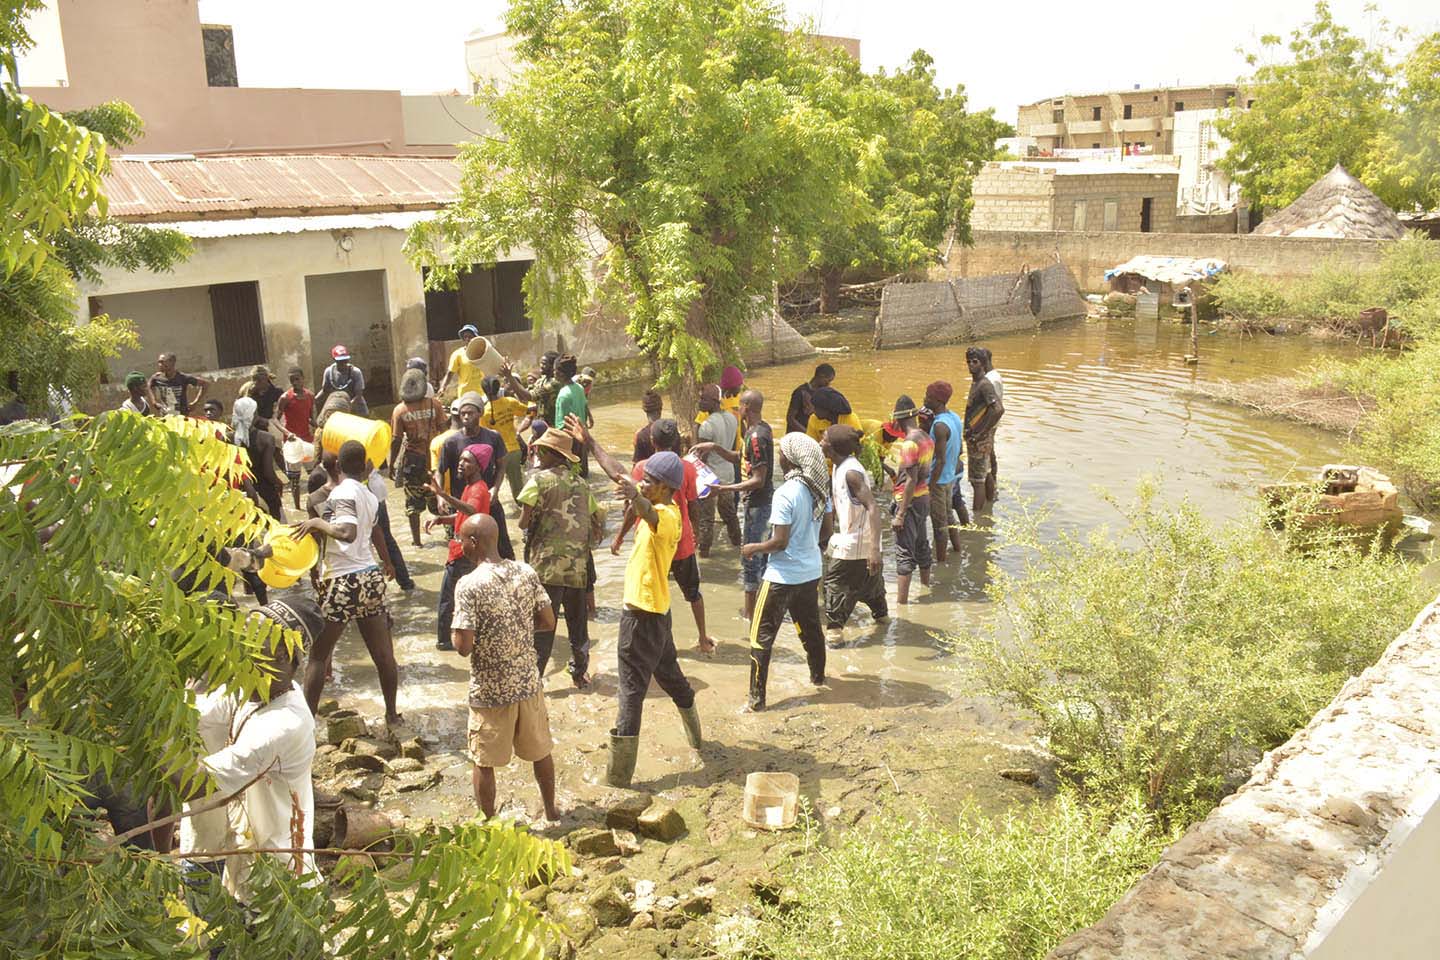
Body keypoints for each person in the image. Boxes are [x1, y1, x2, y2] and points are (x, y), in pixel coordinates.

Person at [573, 424, 703, 788]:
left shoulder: (671, 516)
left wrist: (637, 497)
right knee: (673, 679)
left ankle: (618, 779)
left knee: (630, 693)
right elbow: (617, 471)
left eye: (649, 482)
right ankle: (698, 740)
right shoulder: (654, 500)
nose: (643, 484)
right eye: (642, 480)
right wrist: (591, 441)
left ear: (666, 488)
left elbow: (650, 512)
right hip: (658, 615)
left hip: (641, 617)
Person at [186, 597, 324, 898]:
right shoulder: (254, 690)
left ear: (284, 659)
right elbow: (194, 716)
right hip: (244, 859)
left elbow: (194, 785)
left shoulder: (283, 724)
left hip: (279, 884)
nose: (238, 650)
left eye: (253, 645)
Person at [450, 512, 561, 820]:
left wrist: (460, 634)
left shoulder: (468, 585)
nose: (459, 546)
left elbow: (463, 647)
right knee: (541, 751)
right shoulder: (525, 571)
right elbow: (548, 621)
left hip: (491, 690)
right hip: (527, 682)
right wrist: (517, 631)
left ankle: (488, 823)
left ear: (473, 542)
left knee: (483, 761)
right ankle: (552, 811)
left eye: (461, 540)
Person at [294, 440, 401, 724]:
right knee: (383, 655)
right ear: (365, 466)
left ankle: (306, 725)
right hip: (369, 577)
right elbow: (371, 533)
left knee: (318, 656)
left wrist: (317, 524)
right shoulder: (369, 495)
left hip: (343, 579)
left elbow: (346, 532)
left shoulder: (341, 492)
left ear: (338, 467)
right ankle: (392, 715)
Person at [741, 431, 832, 712]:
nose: (777, 457)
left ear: (790, 459)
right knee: (811, 631)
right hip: (811, 572)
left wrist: (753, 548)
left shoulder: (785, 493)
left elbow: (779, 542)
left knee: (761, 637)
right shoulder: (819, 490)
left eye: (780, 453)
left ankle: (756, 701)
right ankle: (818, 680)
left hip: (781, 577)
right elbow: (827, 532)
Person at [614, 418, 717, 653]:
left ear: (652, 441)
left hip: (654, 541)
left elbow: (634, 507)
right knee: (693, 593)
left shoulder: (642, 467)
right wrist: (696, 532)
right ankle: (702, 638)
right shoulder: (687, 467)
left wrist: (620, 536)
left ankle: (660, 645)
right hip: (680, 541)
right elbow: (692, 504)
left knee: (655, 591)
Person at [516, 427, 605, 686]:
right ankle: (579, 674)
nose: (538, 454)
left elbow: (522, 523)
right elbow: (595, 518)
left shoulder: (538, 481)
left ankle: (534, 680)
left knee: (544, 625)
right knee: (578, 625)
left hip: (545, 567)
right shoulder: (581, 484)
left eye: (541, 450)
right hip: (577, 567)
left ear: (552, 453)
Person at [820, 424, 886, 644]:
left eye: (824, 439)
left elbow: (873, 507)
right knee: (873, 593)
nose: (821, 442)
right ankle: (885, 628)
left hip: (858, 546)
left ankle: (835, 642)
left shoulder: (851, 473)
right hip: (861, 543)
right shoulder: (840, 467)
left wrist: (874, 550)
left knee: (833, 588)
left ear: (834, 447)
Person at [429, 443, 494, 651]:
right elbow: (462, 515)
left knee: (447, 600)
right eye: (461, 459)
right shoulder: (469, 487)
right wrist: (441, 519)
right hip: (464, 550)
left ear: (478, 466)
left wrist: (443, 494)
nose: (460, 464)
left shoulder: (478, 489)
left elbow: (471, 509)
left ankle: (445, 642)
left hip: (464, 553)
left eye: (467, 461)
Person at [435, 391, 513, 560]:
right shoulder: (451, 442)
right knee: (465, 551)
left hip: (489, 501)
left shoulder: (493, 437)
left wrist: (496, 489)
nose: (466, 417)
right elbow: (440, 470)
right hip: (464, 504)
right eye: (463, 413)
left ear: (480, 413)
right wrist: (440, 497)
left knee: (501, 547)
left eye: (470, 413)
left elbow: (501, 466)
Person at [389, 368, 449, 547]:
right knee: (440, 495)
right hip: (434, 459)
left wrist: (391, 464)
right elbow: (445, 432)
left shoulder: (400, 410)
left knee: (412, 504)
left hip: (413, 462)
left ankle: (416, 542)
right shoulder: (435, 404)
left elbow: (396, 440)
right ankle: (451, 536)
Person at [884, 396, 934, 604]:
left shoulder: (909, 444)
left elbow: (911, 480)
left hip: (910, 501)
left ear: (898, 420)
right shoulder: (925, 437)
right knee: (922, 545)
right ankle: (925, 589)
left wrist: (901, 514)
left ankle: (901, 605)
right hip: (924, 499)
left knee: (904, 553)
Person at [692, 384, 741, 556]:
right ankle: (737, 545)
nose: (700, 402)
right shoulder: (732, 418)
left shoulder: (706, 426)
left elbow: (701, 458)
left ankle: (704, 554)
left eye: (703, 399)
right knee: (729, 513)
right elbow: (731, 447)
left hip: (710, 476)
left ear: (714, 401)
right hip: (728, 472)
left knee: (706, 517)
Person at [923, 380, 964, 562]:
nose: (925, 398)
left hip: (939, 480)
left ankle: (941, 565)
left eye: (928, 396)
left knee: (939, 526)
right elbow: (959, 449)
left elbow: (939, 460)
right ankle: (957, 550)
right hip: (950, 477)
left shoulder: (939, 426)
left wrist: (930, 487)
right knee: (948, 516)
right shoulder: (953, 417)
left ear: (936, 400)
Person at [964, 347, 1005, 514]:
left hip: (978, 439)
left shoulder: (984, 384)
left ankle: (978, 518)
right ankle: (989, 506)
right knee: (985, 473)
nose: (971, 365)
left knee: (977, 481)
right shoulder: (978, 383)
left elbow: (998, 409)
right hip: (979, 437)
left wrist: (980, 433)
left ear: (983, 363)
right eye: (968, 362)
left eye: (975, 362)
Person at [234, 396, 286, 520]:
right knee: (275, 528)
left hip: (238, 492)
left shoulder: (227, 438)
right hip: (264, 490)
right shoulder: (266, 438)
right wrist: (278, 482)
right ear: (255, 415)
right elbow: (268, 472)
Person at [481, 373, 530, 501]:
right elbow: (530, 410)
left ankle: (490, 508)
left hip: (498, 455)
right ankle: (525, 511)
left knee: (493, 485)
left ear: (484, 392)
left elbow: (483, 436)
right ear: (499, 388)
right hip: (515, 450)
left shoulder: (484, 412)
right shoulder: (510, 402)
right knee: (517, 485)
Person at [439, 324, 505, 400]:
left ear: (476, 338)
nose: (467, 339)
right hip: (465, 394)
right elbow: (449, 374)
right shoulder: (457, 354)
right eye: (465, 337)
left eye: (470, 336)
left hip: (482, 394)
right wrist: (442, 387)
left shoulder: (483, 352)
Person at [551, 355, 589, 475]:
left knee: (571, 477)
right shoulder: (579, 388)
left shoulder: (563, 395)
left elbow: (561, 425)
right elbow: (584, 410)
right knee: (582, 474)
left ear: (561, 373)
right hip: (582, 436)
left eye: (554, 370)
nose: (553, 373)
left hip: (570, 442)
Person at [980, 347, 1004, 505]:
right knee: (990, 453)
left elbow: (996, 408)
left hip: (988, 425)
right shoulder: (993, 376)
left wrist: (983, 428)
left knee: (986, 458)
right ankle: (993, 487)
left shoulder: (991, 380)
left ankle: (990, 494)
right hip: (989, 424)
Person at [148, 352, 207, 417]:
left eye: (162, 362)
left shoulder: (183, 378)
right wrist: (154, 402)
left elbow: (205, 384)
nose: (159, 365)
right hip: (165, 417)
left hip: (182, 417)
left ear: (172, 362)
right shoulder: (157, 377)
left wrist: (195, 402)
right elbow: (149, 385)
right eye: (159, 362)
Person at [315, 344, 367, 416]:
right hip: (338, 408)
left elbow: (358, 395)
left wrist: (346, 406)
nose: (343, 362)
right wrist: (314, 400)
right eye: (340, 360)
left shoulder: (355, 372)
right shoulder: (329, 372)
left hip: (356, 409)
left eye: (345, 360)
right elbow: (325, 390)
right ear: (334, 359)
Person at [786, 363, 834, 435]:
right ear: (821, 376)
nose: (828, 384)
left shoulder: (824, 393)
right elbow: (790, 418)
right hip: (798, 435)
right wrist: (808, 433)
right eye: (828, 381)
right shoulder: (800, 392)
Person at [430, 399, 464, 497]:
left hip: (449, 497)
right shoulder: (473, 437)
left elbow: (437, 472)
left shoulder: (437, 441)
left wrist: (440, 497)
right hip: (472, 494)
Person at [239, 364, 284, 431]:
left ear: (266, 379)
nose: (256, 382)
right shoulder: (248, 390)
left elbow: (281, 413)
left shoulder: (277, 393)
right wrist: (249, 395)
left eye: (259, 380)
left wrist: (269, 422)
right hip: (253, 428)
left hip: (273, 427)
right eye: (254, 380)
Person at [632, 389, 664, 462]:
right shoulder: (671, 430)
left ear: (644, 409)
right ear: (661, 407)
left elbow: (637, 464)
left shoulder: (640, 435)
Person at [531, 351, 561, 428]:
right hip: (541, 424)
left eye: (544, 364)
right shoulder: (541, 381)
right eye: (540, 363)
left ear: (552, 366)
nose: (541, 366)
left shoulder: (554, 383)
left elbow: (530, 396)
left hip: (552, 426)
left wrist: (509, 376)